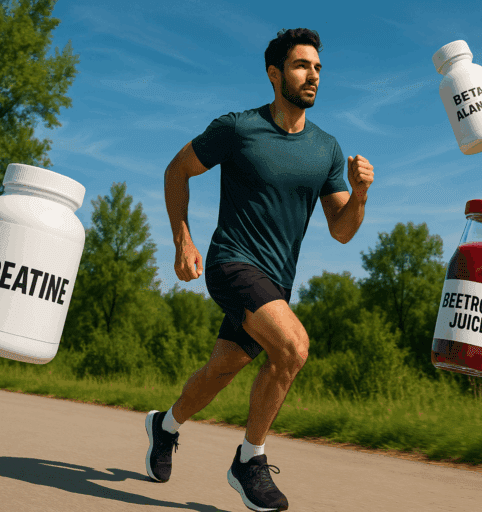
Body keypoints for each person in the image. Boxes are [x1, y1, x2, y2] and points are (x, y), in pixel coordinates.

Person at [146, 27, 374, 512]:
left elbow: (341, 230)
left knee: (221, 370)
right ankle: (249, 460)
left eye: (316, 67)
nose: (312, 75)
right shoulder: (238, 128)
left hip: (276, 282)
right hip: (231, 263)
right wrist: (181, 238)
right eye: (300, 65)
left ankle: (164, 426)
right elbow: (176, 170)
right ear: (275, 74)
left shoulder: (327, 149)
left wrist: (360, 194)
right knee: (293, 347)